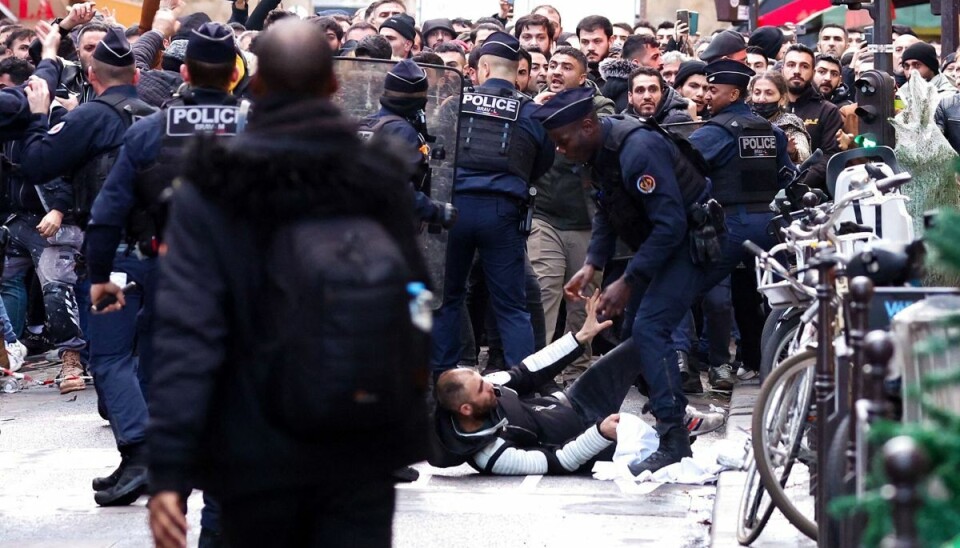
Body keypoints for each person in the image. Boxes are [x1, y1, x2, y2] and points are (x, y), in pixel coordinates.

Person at [146, 19, 429, 548]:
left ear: (254, 83)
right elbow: (417, 300)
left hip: (254, 447)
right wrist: (404, 413)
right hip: (361, 443)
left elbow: (189, 331)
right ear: (333, 87)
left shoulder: (215, 184)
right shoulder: (377, 176)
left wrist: (170, 469)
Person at [83, 21, 243, 516]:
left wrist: (98, 280)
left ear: (187, 71)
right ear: (235, 72)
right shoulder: (262, 128)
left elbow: (106, 216)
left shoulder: (150, 130)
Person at [543, 86, 727, 475]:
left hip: (690, 244)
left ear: (589, 125)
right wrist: (592, 264)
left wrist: (627, 280)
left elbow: (671, 224)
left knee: (650, 329)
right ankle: (669, 407)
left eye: (563, 142)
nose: (560, 150)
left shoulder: (637, 149)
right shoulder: (600, 152)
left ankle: (673, 436)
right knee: (634, 333)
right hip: (662, 245)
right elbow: (609, 211)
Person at [432, 291, 725, 474]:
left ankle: (671, 409)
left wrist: (581, 337)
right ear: (467, 409)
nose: (490, 385)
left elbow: (529, 370)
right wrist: (599, 433)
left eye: (485, 380)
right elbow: (556, 461)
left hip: (578, 400)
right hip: (588, 440)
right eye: (483, 389)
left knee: (646, 337)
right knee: (657, 453)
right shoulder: (491, 456)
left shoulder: (488, 384)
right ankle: (676, 431)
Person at [17, 26, 155, 394]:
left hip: (111, 254)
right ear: (137, 75)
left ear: (92, 74)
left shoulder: (88, 117)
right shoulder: (160, 118)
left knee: (110, 353)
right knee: (146, 348)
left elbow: (36, 164)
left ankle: (133, 428)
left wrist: (37, 116)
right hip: (158, 251)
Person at [430, 31, 553, 376]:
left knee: (448, 297)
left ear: (482, 67)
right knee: (512, 307)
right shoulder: (531, 112)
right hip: (503, 213)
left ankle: (442, 377)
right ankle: (521, 387)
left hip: (454, 210)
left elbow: (437, 153)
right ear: (517, 72)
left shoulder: (455, 103)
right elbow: (542, 163)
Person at [689, 59, 795, 386]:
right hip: (768, 225)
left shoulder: (715, 131)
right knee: (772, 296)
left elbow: (685, 168)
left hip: (730, 223)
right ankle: (770, 362)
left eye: (713, 89)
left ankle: (712, 364)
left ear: (733, 93)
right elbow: (787, 174)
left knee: (692, 287)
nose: (706, 95)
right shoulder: (770, 130)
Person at [357, 59, 456, 228]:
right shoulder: (403, 131)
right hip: (386, 230)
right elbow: (395, 190)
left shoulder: (366, 124)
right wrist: (436, 211)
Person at [781, 44, 841, 190]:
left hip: (811, 196)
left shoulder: (828, 110)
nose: (797, 71)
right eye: (791, 65)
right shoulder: (769, 106)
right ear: (782, 69)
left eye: (804, 66)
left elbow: (829, 157)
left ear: (813, 72)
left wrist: (797, 183)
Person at [750, 70, 812, 164]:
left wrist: (793, 153)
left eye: (769, 93)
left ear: (782, 99)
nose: (761, 99)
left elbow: (804, 154)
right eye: (757, 93)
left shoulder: (790, 124)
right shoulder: (743, 121)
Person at [624, 66, 692, 124]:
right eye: (640, 91)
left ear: (662, 93)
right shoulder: (621, 123)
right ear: (630, 97)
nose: (647, 96)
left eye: (653, 90)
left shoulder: (677, 120)